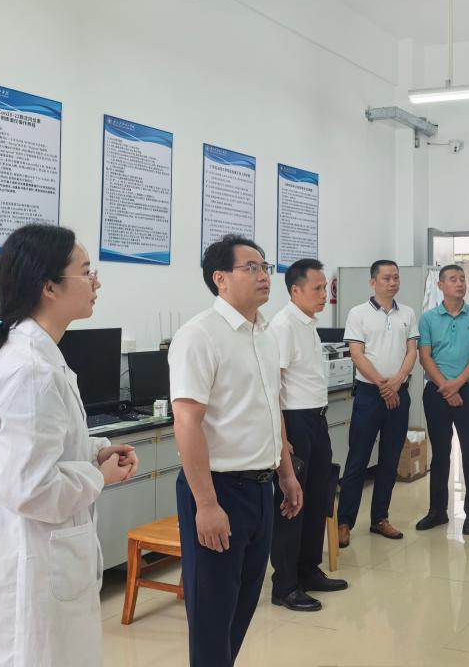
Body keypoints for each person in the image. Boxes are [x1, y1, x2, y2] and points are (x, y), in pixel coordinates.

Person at [0, 224, 138, 667]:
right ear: (49, 287)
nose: (96, 282)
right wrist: (98, 475)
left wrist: (91, 452)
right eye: (86, 271)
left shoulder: (38, 357)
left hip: (41, 563)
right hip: (27, 570)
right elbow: (30, 487)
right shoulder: (30, 370)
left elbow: (40, 451)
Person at [169, 234, 302, 666]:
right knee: (212, 617)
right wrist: (206, 505)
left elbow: (271, 407)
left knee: (242, 606)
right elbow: (186, 422)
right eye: (251, 268)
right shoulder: (199, 336)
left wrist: (286, 473)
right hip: (218, 490)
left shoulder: (264, 333)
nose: (264, 275)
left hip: (261, 490)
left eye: (265, 267)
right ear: (220, 278)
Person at [269, 258, 348, 613]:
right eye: (317, 288)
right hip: (294, 422)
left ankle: (308, 570)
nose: (323, 295)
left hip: (316, 419)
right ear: (295, 290)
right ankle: (285, 585)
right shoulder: (283, 326)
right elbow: (272, 388)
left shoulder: (309, 324)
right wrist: (282, 437)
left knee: (317, 496)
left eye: (325, 288)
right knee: (293, 503)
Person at [337, 260, 419, 546]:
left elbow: (411, 352)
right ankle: (344, 522)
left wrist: (397, 381)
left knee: (390, 459)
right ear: (373, 282)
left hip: (399, 394)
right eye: (386, 278)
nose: (392, 282)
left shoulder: (407, 313)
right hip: (370, 395)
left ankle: (380, 518)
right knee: (357, 459)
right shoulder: (358, 313)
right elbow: (357, 355)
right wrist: (384, 386)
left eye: (396, 277)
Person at [416, 265, 469, 534]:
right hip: (436, 393)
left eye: (462, 279)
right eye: (453, 279)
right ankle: (438, 511)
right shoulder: (428, 319)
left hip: (468, 391)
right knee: (439, 454)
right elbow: (425, 356)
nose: (459, 283)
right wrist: (446, 388)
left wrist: (456, 385)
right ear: (440, 286)